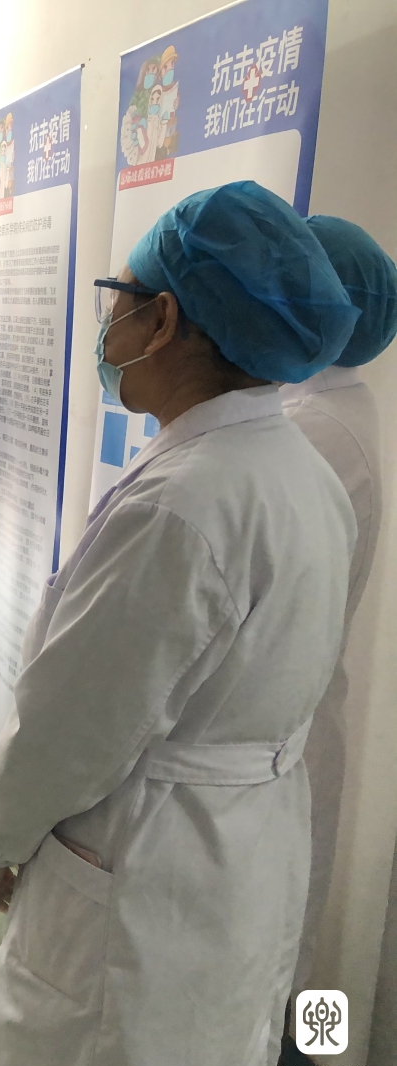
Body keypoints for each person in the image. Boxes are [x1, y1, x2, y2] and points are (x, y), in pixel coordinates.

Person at [0, 181, 360, 1066]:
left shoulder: (184, 501)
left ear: (164, 318)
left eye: (119, 300)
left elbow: (76, 721)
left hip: (146, 853)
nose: (109, 327)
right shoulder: (296, 470)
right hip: (241, 847)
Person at [281, 217, 396, 1008]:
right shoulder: (324, 407)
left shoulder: (313, 428)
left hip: (278, 747)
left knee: (260, 984)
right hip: (285, 738)